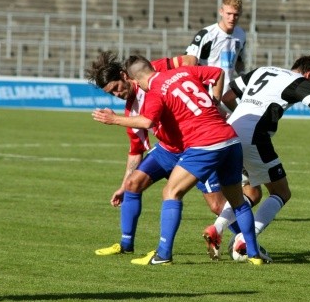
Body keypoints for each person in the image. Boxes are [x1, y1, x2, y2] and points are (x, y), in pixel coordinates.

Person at [92, 55, 267, 265]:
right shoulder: (179, 76)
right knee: (236, 201)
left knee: (183, 196)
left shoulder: (155, 87)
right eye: (111, 93)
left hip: (200, 145)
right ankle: (254, 255)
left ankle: (165, 255)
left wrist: (114, 119)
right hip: (221, 140)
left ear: (129, 77)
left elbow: (149, 120)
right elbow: (215, 73)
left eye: (117, 88)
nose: (117, 94)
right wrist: (213, 100)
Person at [206, 54, 310, 260]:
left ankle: (217, 228)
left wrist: (245, 117)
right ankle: (246, 240)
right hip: (255, 137)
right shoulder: (300, 82)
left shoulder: (263, 70)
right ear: (309, 74)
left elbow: (228, 97)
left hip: (230, 133)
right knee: (281, 191)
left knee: (252, 193)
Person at [183, 0, 264, 258]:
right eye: (228, 14)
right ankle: (241, 239)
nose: (232, 19)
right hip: (208, 101)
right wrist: (204, 97)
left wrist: (240, 79)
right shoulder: (205, 35)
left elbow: (237, 62)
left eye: (236, 15)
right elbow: (189, 65)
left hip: (230, 97)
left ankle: (235, 180)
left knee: (234, 141)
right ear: (220, 12)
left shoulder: (240, 34)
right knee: (218, 149)